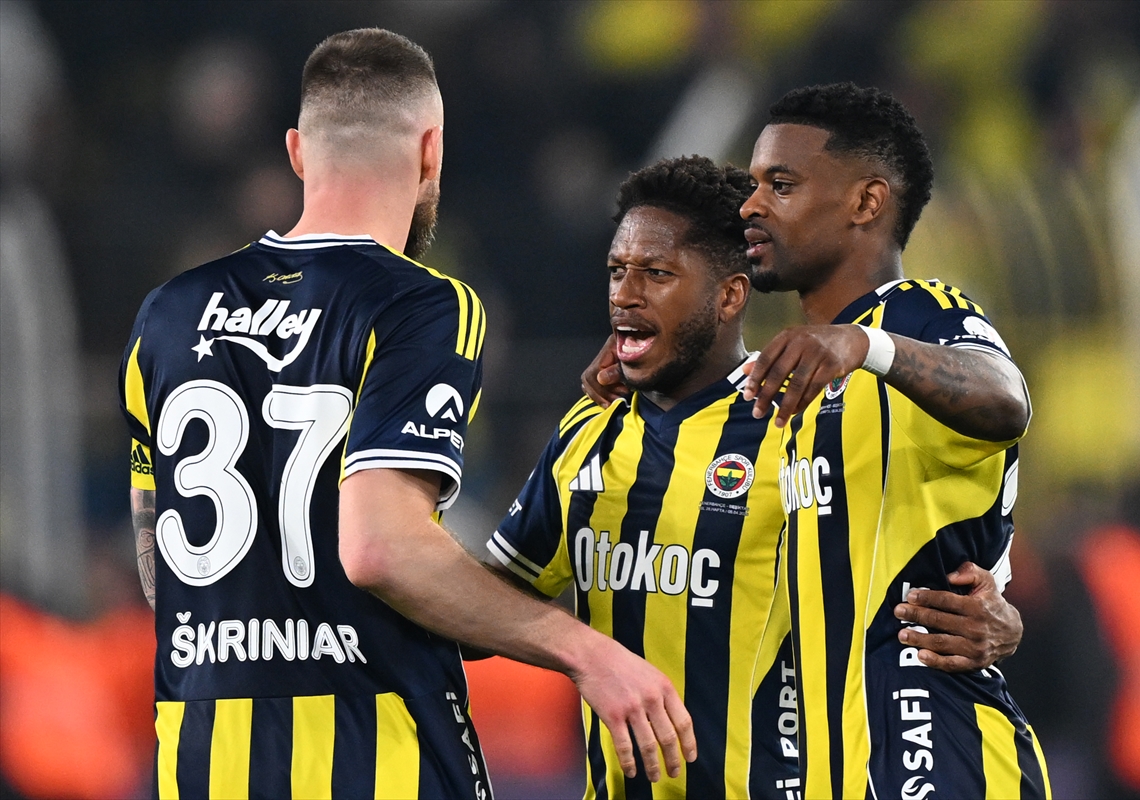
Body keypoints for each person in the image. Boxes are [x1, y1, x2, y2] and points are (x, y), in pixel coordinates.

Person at [119, 28, 693, 800]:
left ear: (297, 153)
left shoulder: (167, 313)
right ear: (431, 151)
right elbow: (381, 549)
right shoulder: (420, 303)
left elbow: (158, 558)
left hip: (201, 762)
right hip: (374, 758)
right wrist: (587, 652)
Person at [500, 156, 1023, 799]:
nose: (624, 295)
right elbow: (491, 600)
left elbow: (917, 557)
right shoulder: (589, 429)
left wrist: (1002, 607)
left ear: (729, 296)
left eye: (657, 274)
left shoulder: (800, 422)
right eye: (616, 271)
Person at [737, 83, 1049, 798]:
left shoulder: (920, 315)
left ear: (866, 202)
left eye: (780, 185)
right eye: (752, 185)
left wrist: (867, 346)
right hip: (833, 766)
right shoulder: (792, 373)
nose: (750, 205)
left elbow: (1006, 398)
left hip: (937, 755)